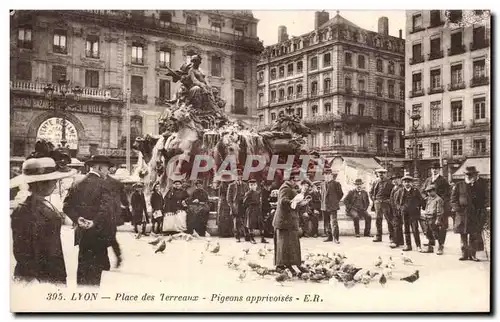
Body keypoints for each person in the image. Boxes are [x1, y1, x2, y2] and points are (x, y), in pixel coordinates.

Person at [11, 157, 76, 285]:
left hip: (52, 271)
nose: (55, 183)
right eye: (53, 181)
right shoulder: (26, 210)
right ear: (41, 183)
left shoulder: (43, 203)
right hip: (40, 277)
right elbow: (23, 252)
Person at [63, 155, 115, 286]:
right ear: (99, 168)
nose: (108, 172)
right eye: (107, 169)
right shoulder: (105, 185)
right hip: (98, 234)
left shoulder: (77, 183)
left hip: (82, 233)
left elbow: (66, 206)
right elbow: (106, 209)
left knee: (83, 266)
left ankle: (81, 298)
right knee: (95, 273)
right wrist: (94, 222)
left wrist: (78, 219)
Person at [273, 169, 308, 276]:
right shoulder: (285, 188)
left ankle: (292, 263)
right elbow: (283, 201)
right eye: (298, 181)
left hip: (289, 221)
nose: (299, 183)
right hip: (283, 222)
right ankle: (280, 266)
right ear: (293, 179)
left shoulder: (291, 188)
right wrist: (294, 202)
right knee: (283, 245)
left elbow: (292, 201)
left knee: (292, 244)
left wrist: (301, 203)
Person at [451, 166, 489, 261]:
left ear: (475, 175)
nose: (469, 176)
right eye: (467, 174)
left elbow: (486, 198)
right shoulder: (459, 185)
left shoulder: (479, 185)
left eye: (471, 175)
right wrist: (457, 208)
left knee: (474, 234)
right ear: (465, 175)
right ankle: (464, 254)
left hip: (474, 214)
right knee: (463, 235)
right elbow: (453, 199)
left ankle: (473, 255)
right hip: (462, 214)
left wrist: (483, 208)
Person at [421, 162, 451, 255]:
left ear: (439, 170)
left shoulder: (443, 180)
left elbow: (448, 193)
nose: (434, 170)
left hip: (440, 208)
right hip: (430, 208)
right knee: (429, 226)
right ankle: (431, 244)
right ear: (431, 170)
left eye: (436, 168)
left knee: (441, 227)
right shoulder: (428, 180)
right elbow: (422, 191)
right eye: (433, 168)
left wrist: (439, 200)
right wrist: (426, 198)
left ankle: (440, 246)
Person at [393, 174, 425, 252]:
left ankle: (418, 246)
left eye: (409, 182)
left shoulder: (415, 191)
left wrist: (419, 207)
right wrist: (400, 208)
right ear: (403, 183)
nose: (407, 183)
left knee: (415, 229)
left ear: (411, 183)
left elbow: (421, 200)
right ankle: (408, 245)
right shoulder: (400, 191)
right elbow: (396, 201)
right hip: (404, 213)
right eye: (405, 182)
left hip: (414, 213)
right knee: (406, 229)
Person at [105, 174, 129, 268]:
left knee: (104, 237)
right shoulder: (117, 183)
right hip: (113, 215)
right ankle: (118, 256)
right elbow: (125, 201)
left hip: (105, 214)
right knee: (111, 237)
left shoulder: (98, 182)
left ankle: (107, 261)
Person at [370, 168, 394, 243]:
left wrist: (389, 200)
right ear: (377, 174)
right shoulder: (375, 182)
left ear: (386, 174)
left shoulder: (390, 182)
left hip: (386, 203)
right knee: (378, 220)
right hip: (378, 203)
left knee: (389, 220)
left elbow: (393, 193)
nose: (381, 174)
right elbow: (371, 192)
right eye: (379, 173)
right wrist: (375, 200)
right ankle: (378, 236)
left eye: (383, 173)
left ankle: (392, 237)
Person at [320, 168, 344, 243]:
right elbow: (322, 195)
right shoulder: (322, 184)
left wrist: (335, 201)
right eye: (325, 174)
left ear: (331, 175)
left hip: (333, 206)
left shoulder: (336, 184)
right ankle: (329, 236)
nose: (326, 176)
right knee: (326, 222)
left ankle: (335, 238)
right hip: (324, 206)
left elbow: (340, 194)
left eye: (328, 174)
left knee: (334, 222)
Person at [421, 184, 444, 254]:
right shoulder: (428, 198)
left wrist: (438, 219)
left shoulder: (438, 199)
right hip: (427, 217)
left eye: (430, 191)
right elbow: (426, 207)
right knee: (428, 233)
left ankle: (440, 247)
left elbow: (439, 211)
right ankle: (430, 247)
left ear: (434, 191)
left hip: (434, 218)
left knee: (436, 233)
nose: (429, 193)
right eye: (428, 192)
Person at [227, 170, 249, 242]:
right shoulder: (231, 185)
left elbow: (248, 195)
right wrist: (231, 206)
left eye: (240, 175)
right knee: (236, 222)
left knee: (245, 220)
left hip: (244, 204)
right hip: (236, 205)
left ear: (242, 176)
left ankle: (246, 236)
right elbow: (229, 198)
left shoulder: (245, 185)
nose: (238, 177)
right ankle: (237, 237)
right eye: (237, 175)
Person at [242, 179, 264, 244]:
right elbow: (244, 202)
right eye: (251, 185)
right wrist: (250, 204)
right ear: (249, 186)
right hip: (251, 209)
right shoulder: (248, 193)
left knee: (261, 224)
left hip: (257, 209)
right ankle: (252, 238)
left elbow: (260, 201)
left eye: (254, 185)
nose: (253, 186)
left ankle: (262, 238)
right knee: (250, 225)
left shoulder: (258, 193)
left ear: (256, 185)